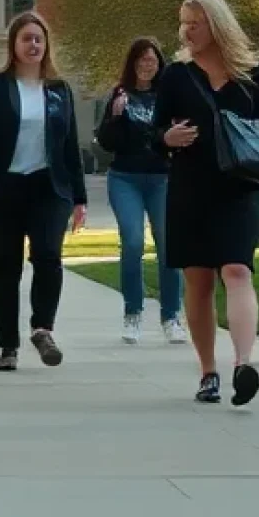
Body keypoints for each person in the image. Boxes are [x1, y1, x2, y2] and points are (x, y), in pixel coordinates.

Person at [155, 0, 259, 408]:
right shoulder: (175, 76)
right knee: (198, 280)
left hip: (239, 187)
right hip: (190, 187)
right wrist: (165, 138)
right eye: (183, 22)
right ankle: (208, 371)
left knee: (237, 269)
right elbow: (153, 132)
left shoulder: (252, 76)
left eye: (195, 23)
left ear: (217, 24)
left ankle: (243, 364)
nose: (186, 30)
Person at [0, 11, 87, 371]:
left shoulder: (59, 89)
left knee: (48, 256)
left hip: (48, 187)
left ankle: (42, 329)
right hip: (3, 188)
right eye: (26, 39)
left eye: (39, 39)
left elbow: (69, 146)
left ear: (46, 44)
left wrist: (79, 198)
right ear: (14, 45)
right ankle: (8, 346)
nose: (33, 45)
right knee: (7, 265)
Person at [95, 36, 187, 346]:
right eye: (141, 60)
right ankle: (132, 313)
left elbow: (178, 134)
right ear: (132, 63)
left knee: (169, 248)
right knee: (133, 242)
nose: (147, 65)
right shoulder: (120, 94)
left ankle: (171, 316)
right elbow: (106, 142)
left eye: (152, 60)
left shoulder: (168, 97)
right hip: (126, 178)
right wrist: (115, 116)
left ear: (159, 63)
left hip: (162, 179)